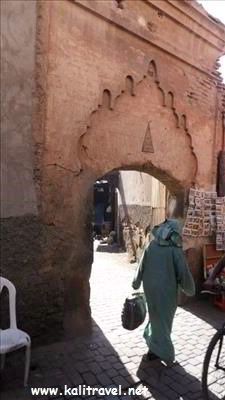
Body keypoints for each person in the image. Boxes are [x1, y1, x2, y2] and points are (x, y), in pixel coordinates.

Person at [132, 219, 195, 364]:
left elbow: (141, 266)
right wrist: (190, 289)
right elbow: (183, 273)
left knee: (155, 318)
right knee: (164, 323)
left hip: (150, 290)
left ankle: (153, 349)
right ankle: (165, 353)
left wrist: (136, 283)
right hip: (166, 293)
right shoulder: (175, 250)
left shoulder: (151, 245)